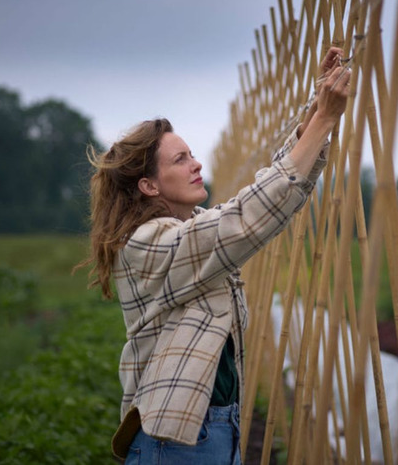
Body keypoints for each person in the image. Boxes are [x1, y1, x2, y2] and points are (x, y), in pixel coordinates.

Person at [80, 47, 351, 464]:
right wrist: (326, 119)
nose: (196, 164)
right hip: (178, 445)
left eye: (191, 154)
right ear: (149, 186)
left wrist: (316, 116)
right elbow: (246, 218)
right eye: (181, 159)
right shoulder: (147, 243)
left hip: (213, 431)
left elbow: (258, 205)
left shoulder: (190, 231)